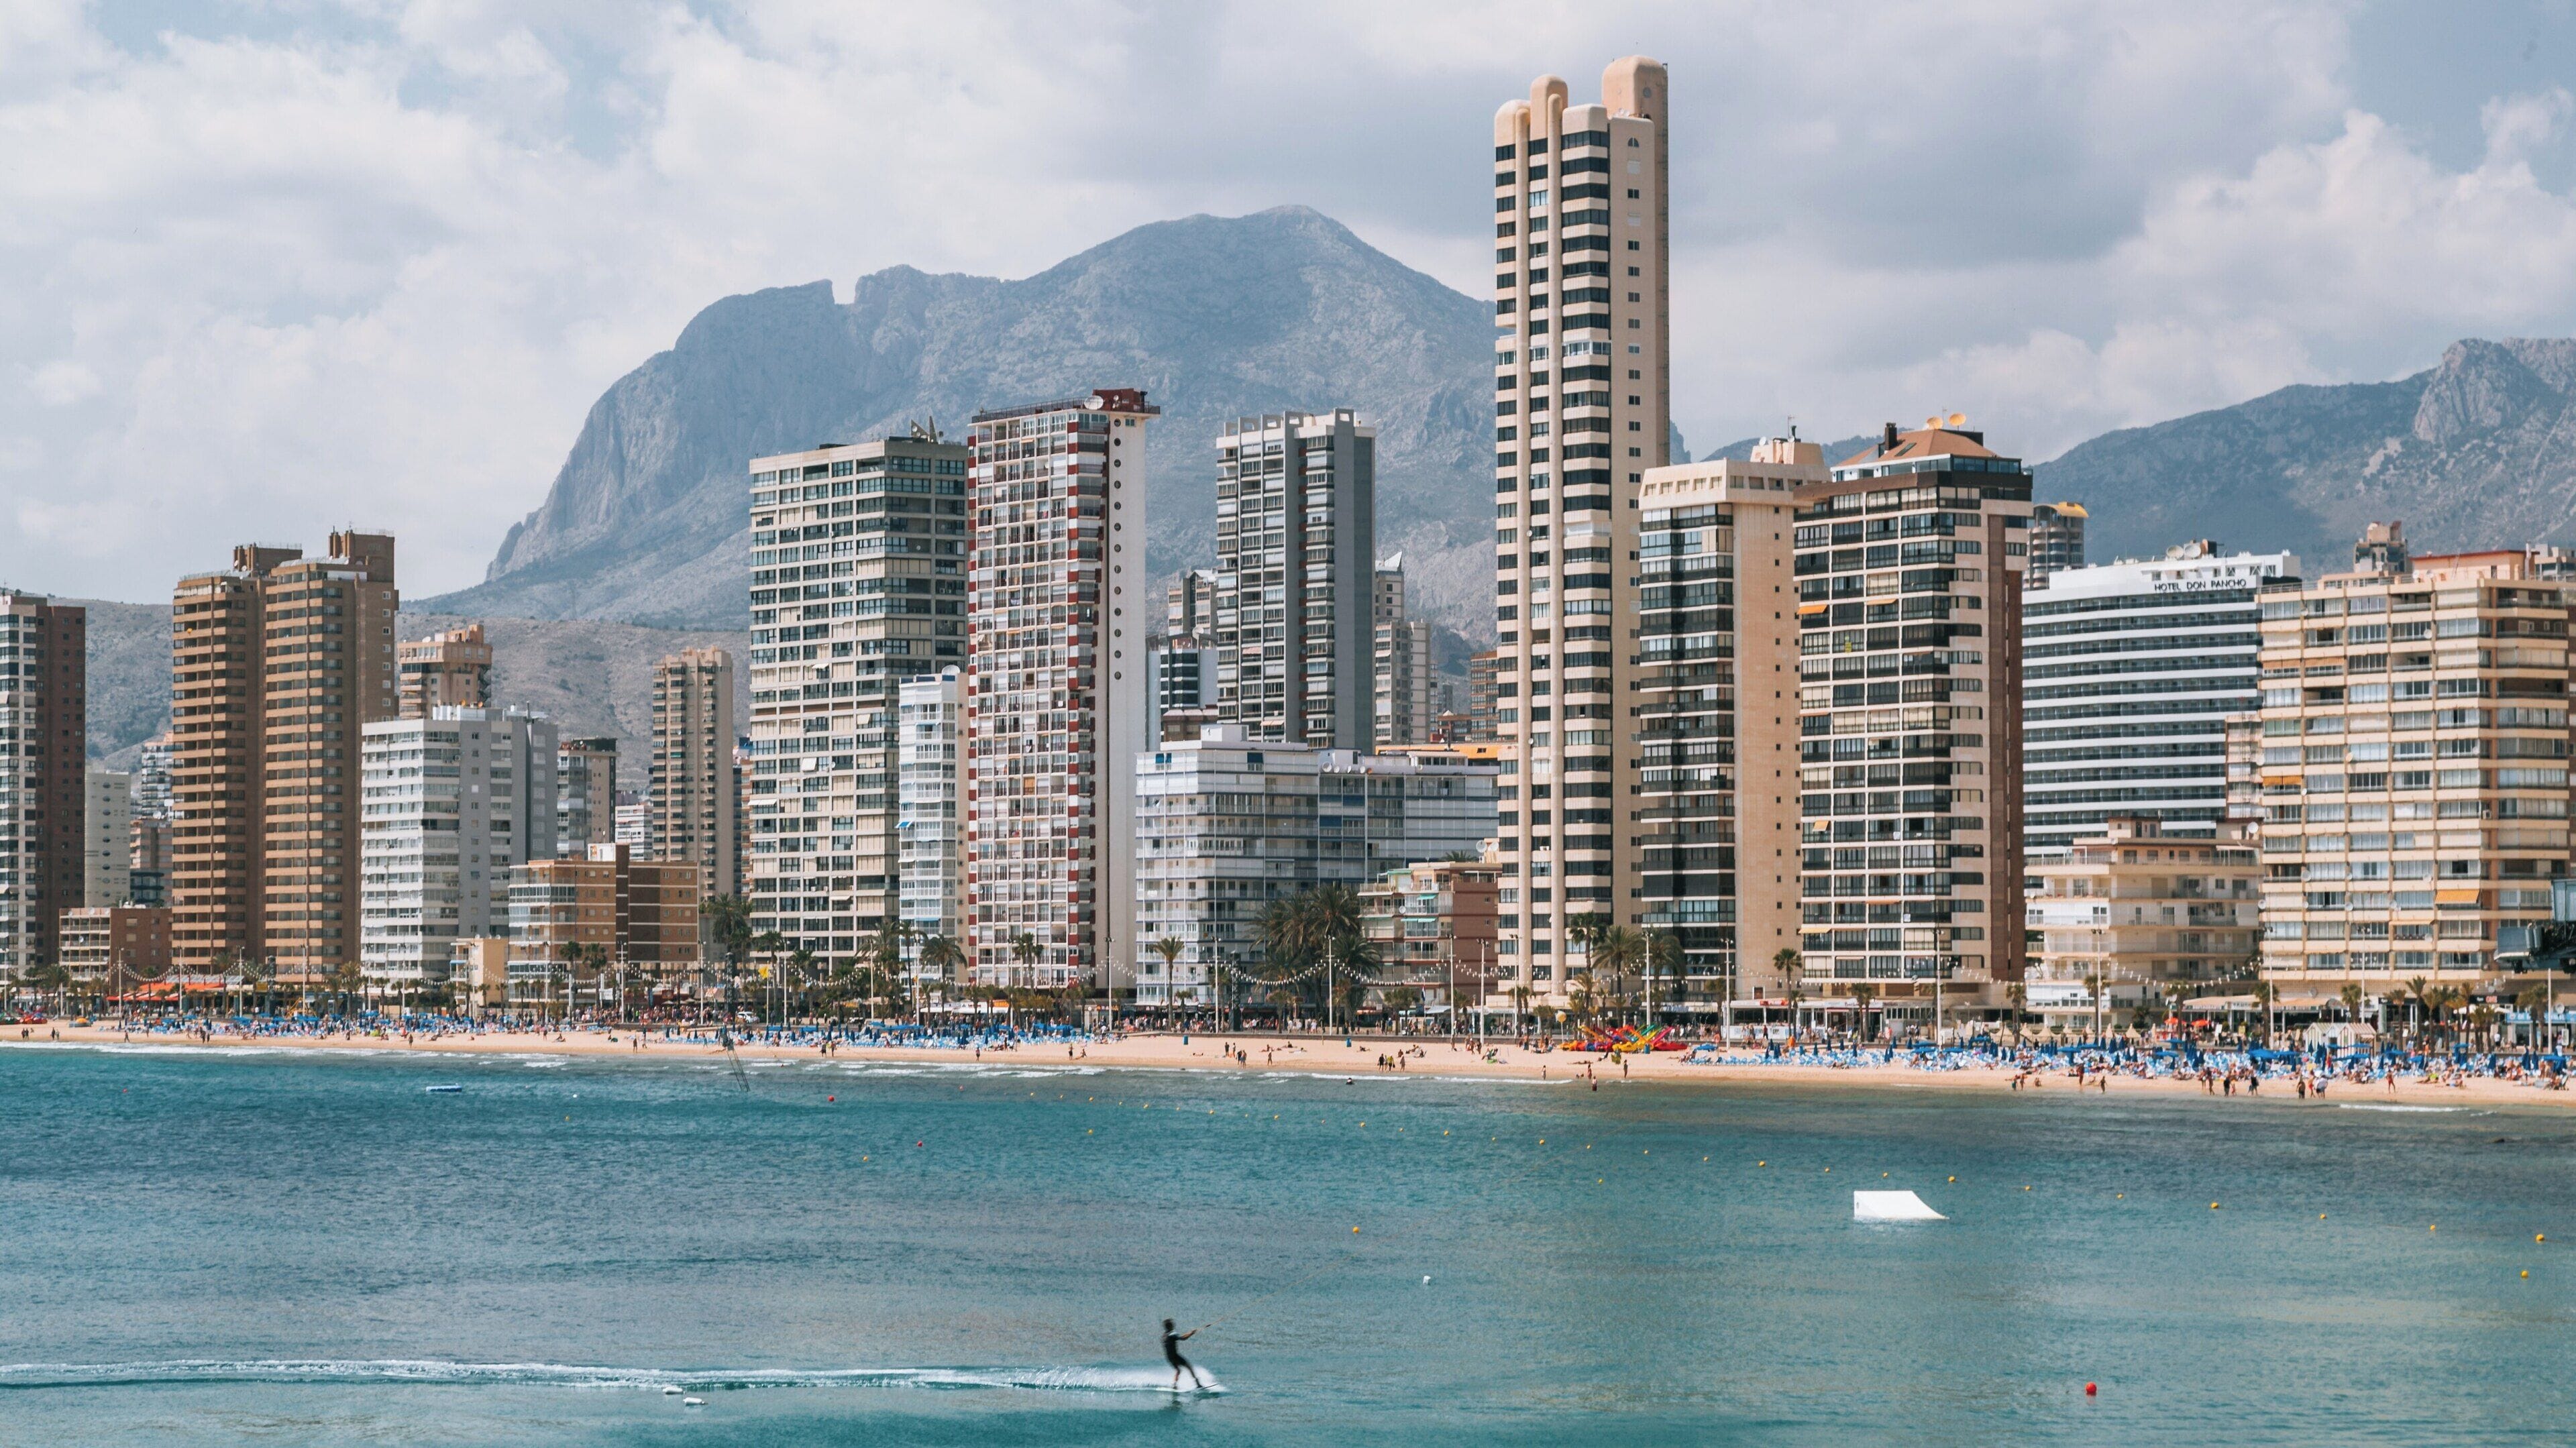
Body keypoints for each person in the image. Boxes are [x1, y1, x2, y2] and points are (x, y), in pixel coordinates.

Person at [1162, 1318, 1205, 1391]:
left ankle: (1174, 1385)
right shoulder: (1173, 1334)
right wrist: (1191, 1334)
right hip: (1175, 1356)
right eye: (1173, 1324)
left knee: (1178, 1370)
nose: (1174, 1325)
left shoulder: (1165, 1335)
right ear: (1171, 1326)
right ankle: (1198, 1384)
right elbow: (1183, 1338)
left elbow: (1180, 1337)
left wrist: (1190, 1333)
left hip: (1169, 1357)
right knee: (1189, 1367)